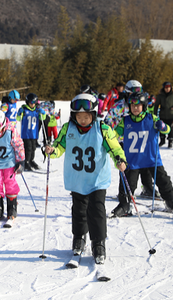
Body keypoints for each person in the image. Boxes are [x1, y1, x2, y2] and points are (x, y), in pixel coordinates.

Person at [45, 93, 126, 264]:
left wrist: (119, 159)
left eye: (86, 116)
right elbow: (59, 147)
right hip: (77, 180)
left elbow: (114, 147)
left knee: (97, 211)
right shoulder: (68, 129)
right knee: (79, 211)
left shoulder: (102, 129)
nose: (82, 120)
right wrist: (52, 151)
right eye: (79, 116)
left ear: (94, 115)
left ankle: (98, 243)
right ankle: (79, 237)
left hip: (97, 180)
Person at [112, 92, 173, 216]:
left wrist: (162, 126)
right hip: (132, 159)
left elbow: (167, 129)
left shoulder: (152, 118)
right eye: (132, 105)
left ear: (144, 106)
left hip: (150, 158)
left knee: (163, 181)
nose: (135, 108)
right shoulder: (125, 120)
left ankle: (170, 201)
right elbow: (114, 136)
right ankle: (124, 206)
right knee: (127, 184)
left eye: (138, 105)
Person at [104, 80, 158, 198]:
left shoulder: (142, 105)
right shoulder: (119, 106)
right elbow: (107, 121)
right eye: (134, 91)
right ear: (127, 92)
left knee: (145, 164)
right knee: (126, 166)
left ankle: (147, 187)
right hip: (124, 141)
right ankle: (124, 193)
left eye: (139, 91)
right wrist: (112, 133)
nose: (136, 94)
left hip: (140, 138)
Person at [16, 93, 45, 171]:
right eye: (31, 103)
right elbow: (18, 119)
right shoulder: (24, 110)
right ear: (27, 102)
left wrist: (43, 113)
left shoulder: (36, 110)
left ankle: (31, 160)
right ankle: (26, 162)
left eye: (34, 103)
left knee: (33, 148)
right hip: (26, 134)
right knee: (28, 148)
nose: (33, 105)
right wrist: (19, 113)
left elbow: (43, 118)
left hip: (34, 134)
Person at [154, 81, 173, 148]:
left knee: (171, 128)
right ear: (163, 88)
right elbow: (156, 105)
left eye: (169, 87)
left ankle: (170, 141)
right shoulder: (160, 96)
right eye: (166, 87)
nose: (167, 89)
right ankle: (162, 140)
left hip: (171, 115)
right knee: (162, 127)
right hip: (162, 114)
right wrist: (155, 115)